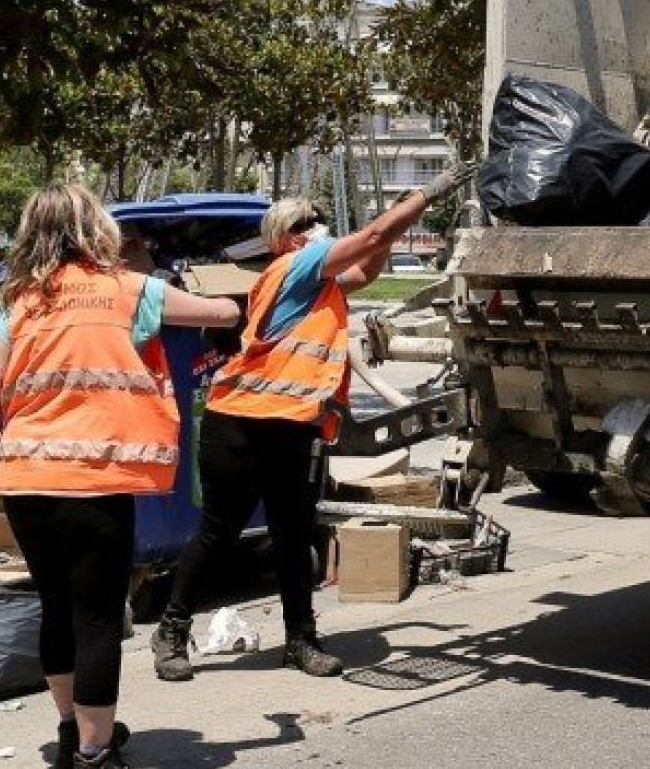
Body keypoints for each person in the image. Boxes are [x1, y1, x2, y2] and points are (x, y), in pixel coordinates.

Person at [150, 161, 478, 682]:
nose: (315, 228)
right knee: (218, 531)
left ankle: (301, 641)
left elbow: (367, 268)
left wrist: (379, 241)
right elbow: (373, 234)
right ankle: (170, 631)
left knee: (291, 534)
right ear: (282, 239)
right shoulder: (295, 267)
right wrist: (425, 195)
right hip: (240, 421)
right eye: (304, 223)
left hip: (291, 426)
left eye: (318, 220)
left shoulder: (319, 278)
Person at [0, 184, 242, 769]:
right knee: (97, 615)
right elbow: (223, 313)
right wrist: (193, 284)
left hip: (25, 480)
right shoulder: (128, 290)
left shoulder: (16, 299)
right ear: (96, 229)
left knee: (56, 607)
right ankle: (97, 753)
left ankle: (71, 730)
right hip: (95, 480)